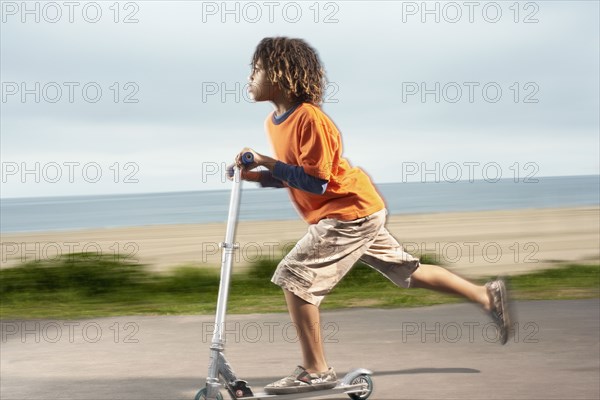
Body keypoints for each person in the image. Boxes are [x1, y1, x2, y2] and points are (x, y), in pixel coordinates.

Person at [230, 36, 511, 395]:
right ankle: (487, 296)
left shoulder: (310, 120)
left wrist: (269, 162)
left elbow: (315, 182)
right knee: (407, 271)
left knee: (295, 275)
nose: (250, 76)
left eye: (257, 69)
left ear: (283, 74)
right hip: (356, 211)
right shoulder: (275, 122)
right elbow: (293, 175)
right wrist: (255, 175)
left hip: (348, 213)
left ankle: (316, 370)